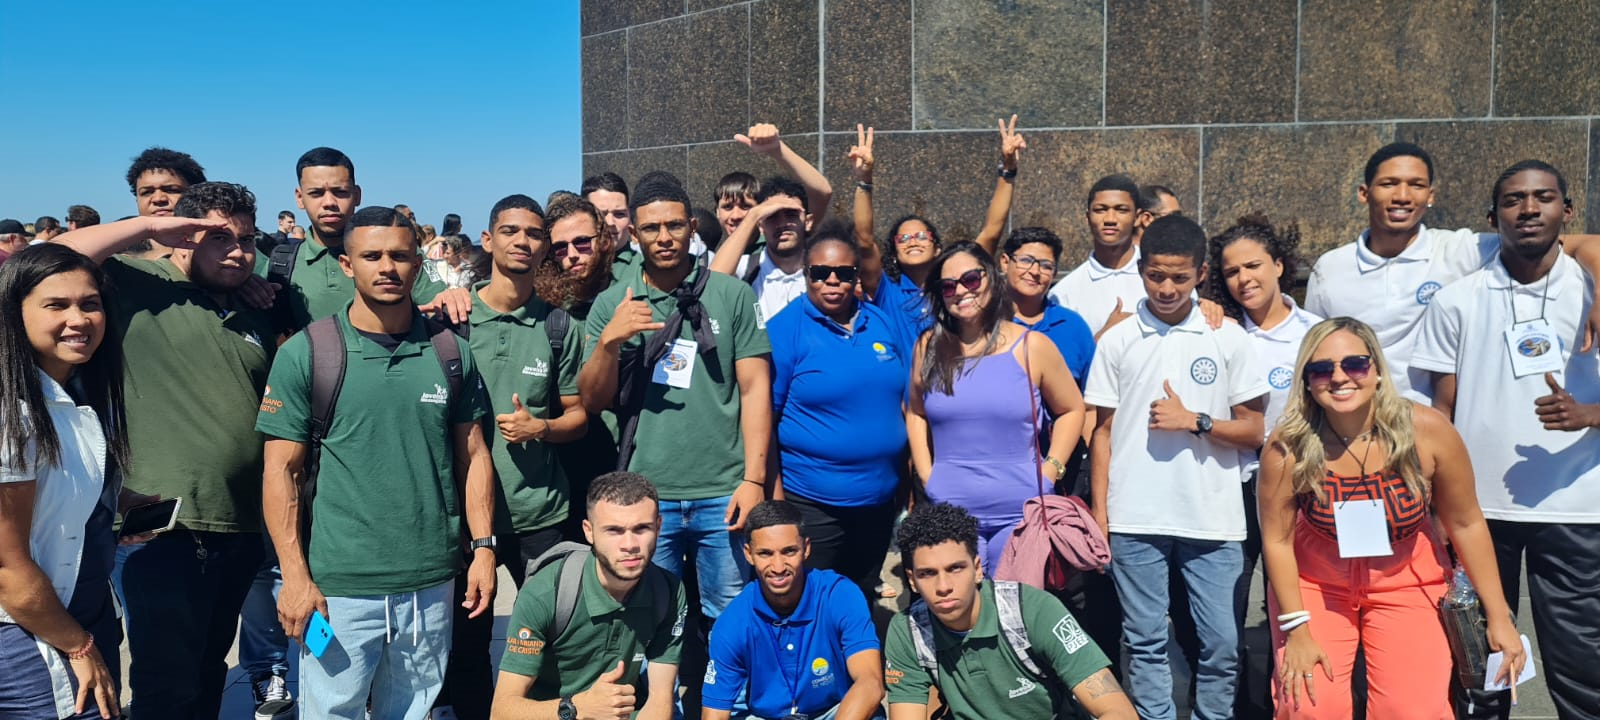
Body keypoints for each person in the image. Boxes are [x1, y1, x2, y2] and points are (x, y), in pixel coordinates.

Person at [255, 206, 497, 719]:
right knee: (331, 710)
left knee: (414, 711)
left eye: (400, 255)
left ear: (418, 264)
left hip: (431, 582)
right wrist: (295, 576)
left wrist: (482, 549)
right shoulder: (309, 352)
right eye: (371, 256)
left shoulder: (450, 351)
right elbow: (281, 472)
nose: (386, 266)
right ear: (347, 264)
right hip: (339, 587)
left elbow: (474, 456)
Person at [52, 184, 280, 720]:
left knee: (206, 673)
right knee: (165, 686)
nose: (237, 251)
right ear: (183, 238)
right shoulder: (136, 284)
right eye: (218, 238)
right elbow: (56, 257)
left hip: (239, 526)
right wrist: (152, 227)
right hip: (161, 529)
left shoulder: (252, 312)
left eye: (246, 240)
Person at [1259, 317, 1523, 718]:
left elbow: (1466, 524)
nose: (1339, 377)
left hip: (1408, 582)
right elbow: (1277, 541)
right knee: (1309, 706)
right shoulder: (1287, 445)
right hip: (1316, 586)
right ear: (1307, 381)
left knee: (1412, 710)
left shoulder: (1427, 431)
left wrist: (1500, 617)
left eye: (1355, 364)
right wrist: (1297, 628)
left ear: (1377, 371)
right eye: (1320, 369)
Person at [578, 172, 773, 714]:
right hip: (646, 497)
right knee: (643, 615)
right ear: (633, 235)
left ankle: (733, 706)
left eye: (673, 225)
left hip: (723, 490)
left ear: (692, 227)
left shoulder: (731, 295)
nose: (663, 237)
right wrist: (611, 341)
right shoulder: (613, 302)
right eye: (650, 228)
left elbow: (756, 388)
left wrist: (753, 480)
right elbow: (592, 401)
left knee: (730, 614)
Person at [1415, 160, 1600, 719]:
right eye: (1513, 200)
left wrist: (1589, 414)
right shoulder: (1456, 301)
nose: (1528, 209)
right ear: (1492, 217)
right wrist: (1431, 500)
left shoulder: (1592, 293)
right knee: (1479, 662)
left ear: (1567, 212)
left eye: (1543, 198)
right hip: (1476, 513)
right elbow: (1438, 414)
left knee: (1583, 664)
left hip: (1576, 509)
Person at [1083, 215, 1268, 720]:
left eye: (1180, 278)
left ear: (1201, 273)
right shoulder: (1116, 341)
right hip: (1134, 519)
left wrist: (1196, 421)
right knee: (1144, 643)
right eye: (1156, 276)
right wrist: (1101, 513)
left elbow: (1254, 430)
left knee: (1223, 645)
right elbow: (1100, 433)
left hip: (1213, 519)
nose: (1167, 288)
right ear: (1141, 271)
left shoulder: (1227, 337)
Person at [432, 195, 589, 720]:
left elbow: (578, 416)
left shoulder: (558, 326)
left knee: (555, 634)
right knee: (469, 646)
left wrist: (540, 427)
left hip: (539, 514)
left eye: (533, 233)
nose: (522, 241)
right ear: (487, 239)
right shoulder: (450, 319)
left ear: (545, 246)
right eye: (510, 231)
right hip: (462, 520)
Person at [1303, 142, 1600, 403]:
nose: (1403, 196)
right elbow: (1313, 350)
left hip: (1428, 425)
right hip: (1354, 422)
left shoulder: (1461, 249)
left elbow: (1582, 243)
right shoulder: (1330, 268)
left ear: (1430, 195)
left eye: (1416, 185)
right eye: (1389, 183)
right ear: (1364, 193)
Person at [0, 243, 132, 720]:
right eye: (56, 305)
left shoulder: (75, 390)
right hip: (29, 629)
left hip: (77, 611)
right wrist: (79, 647)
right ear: (14, 313)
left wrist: (112, 506)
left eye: (89, 303)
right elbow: (6, 566)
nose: (78, 319)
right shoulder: (11, 409)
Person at [907, 242, 1086, 575]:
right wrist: (927, 474)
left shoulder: (1032, 346)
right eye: (948, 286)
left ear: (990, 278)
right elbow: (915, 412)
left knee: (1013, 615)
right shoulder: (928, 346)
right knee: (961, 618)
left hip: (1019, 514)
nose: (960, 291)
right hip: (950, 515)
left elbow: (1072, 409)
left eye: (970, 279)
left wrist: (1051, 470)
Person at [1201, 213, 1321, 716]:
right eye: (1231, 271)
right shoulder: (1217, 329)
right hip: (1230, 490)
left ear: (1279, 266)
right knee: (1222, 621)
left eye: (1253, 266)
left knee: (1289, 612)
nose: (1244, 279)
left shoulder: (1316, 333)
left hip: (1301, 493)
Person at [766, 219, 914, 599]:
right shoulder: (785, 330)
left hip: (878, 503)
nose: (833, 281)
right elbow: (765, 419)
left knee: (860, 596)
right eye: (821, 273)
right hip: (813, 504)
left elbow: (901, 401)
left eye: (844, 273)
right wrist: (776, 501)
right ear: (805, 274)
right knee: (812, 602)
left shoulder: (878, 321)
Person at [882, 503, 1135, 720]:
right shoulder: (908, 630)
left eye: (956, 568)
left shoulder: (1034, 610)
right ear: (912, 581)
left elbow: (1119, 711)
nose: (944, 587)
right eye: (928, 573)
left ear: (978, 569)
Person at [490, 471, 686, 720]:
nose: (629, 544)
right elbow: (501, 712)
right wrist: (576, 707)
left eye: (641, 528)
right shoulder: (547, 593)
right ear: (589, 531)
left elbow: (660, 701)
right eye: (614, 530)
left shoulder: (667, 591)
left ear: (658, 527)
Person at [703, 500, 885, 720]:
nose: (778, 567)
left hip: (834, 711)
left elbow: (870, 682)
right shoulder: (732, 622)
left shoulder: (839, 595)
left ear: (806, 549)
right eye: (765, 554)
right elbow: (715, 713)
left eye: (789, 551)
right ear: (748, 554)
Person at [851, 118, 1024, 334]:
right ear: (894, 254)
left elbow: (991, 232)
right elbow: (864, 240)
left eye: (922, 236)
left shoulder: (958, 286)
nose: (912, 241)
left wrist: (1007, 171)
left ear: (938, 248)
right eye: (903, 239)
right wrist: (864, 180)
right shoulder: (885, 289)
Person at [266, 146, 463, 332]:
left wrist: (455, 296)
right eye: (316, 193)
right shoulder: (281, 265)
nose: (329, 203)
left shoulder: (399, 257)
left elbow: (440, 301)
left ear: (357, 195)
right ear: (300, 198)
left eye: (340, 192)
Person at [541, 195, 622, 538]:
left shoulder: (631, 291)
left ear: (603, 241)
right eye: (560, 247)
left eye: (581, 242)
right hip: (565, 470)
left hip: (624, 457)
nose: (571, 254)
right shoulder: (544, 303)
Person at [1047, 174, 1147, 337]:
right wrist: (1105, 336)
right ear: (1087, 217)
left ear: (1137, 218)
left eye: (1121, 210)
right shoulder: (1064, 293)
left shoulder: (1162, 279)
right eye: (1100, 210)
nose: (1110, 219)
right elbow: (1062, 359)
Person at [1001, 226, 1095, 387]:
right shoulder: (985, 323)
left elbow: (1092, 399)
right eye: (1026, 261)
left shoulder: (1072, 326)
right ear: (1005, 262)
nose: (1035, 271)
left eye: (1046, 266)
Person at [710, 175, 812, 320]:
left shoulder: (823, 270)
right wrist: (753, 216)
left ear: (808, 222)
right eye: (772, 216)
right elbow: (714, 283)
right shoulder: (746, 267)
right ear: (760, 225)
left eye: (791, 215)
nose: (782, 224)